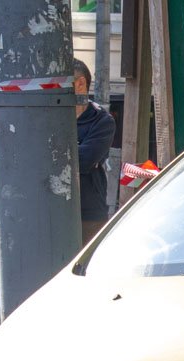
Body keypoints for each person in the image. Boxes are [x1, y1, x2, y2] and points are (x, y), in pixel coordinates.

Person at [73, 59, 116, 245]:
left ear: (80, 83)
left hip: (89, 214)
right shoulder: (47, 118)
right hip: (50, 210)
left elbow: (83, 161)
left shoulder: (102, 121)